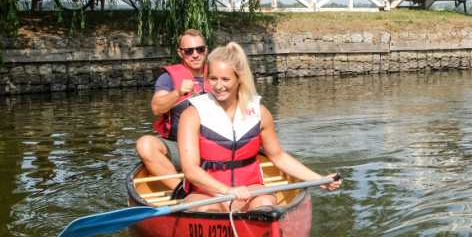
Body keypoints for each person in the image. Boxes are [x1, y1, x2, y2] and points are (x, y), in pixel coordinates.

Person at [178, 42, 340, 212]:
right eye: (213, 79)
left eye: (225, 79)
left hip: (248, 190)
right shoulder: (192, 114)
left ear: (239, 77)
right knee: (207, 211)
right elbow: (190, 169)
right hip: (206, 193)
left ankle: (260, 232)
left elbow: (278, 157)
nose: (218, 86)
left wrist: (320, 180)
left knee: (264, 202)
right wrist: (227, 190)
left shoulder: (260, 113)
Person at [135, 29, 211, 189]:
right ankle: (181, 190)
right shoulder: (167, 79)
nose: (195, 54)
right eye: (189, 51)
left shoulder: (217, 73)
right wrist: (177, 93)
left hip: (214, 144)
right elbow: (156, 108)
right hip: (179, 145)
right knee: (145, 144)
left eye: (200, 49)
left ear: (206, 49)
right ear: (180, 53)